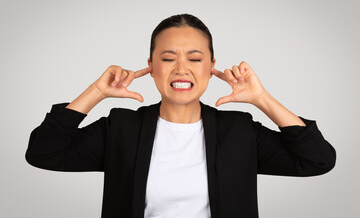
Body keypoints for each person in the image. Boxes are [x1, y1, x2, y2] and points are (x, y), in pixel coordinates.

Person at [25, 14, 336, 218]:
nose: (181, 69)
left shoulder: (238, 131)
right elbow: (43, 153)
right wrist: (96, 92)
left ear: (211, 65)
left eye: (195, 58)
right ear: (151, 65)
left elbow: (317, 160)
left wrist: (261, 99)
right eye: (168, 58)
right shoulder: (121, 128)